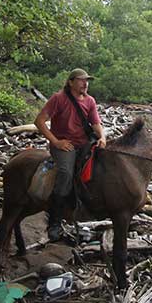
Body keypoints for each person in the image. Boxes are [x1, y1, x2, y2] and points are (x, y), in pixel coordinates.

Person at [34, 68, 106, 241]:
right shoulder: (59, 98)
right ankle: (55, 221)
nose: (85, 83)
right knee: (66, 173)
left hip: (84, 143)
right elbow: (39, 121)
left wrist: (102, 137)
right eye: (81, 80)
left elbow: (96, 124)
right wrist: (56, 141)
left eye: (87, 80)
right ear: (71, 82)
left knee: (100, 166)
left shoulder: (90, 101)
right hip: (64, 145)